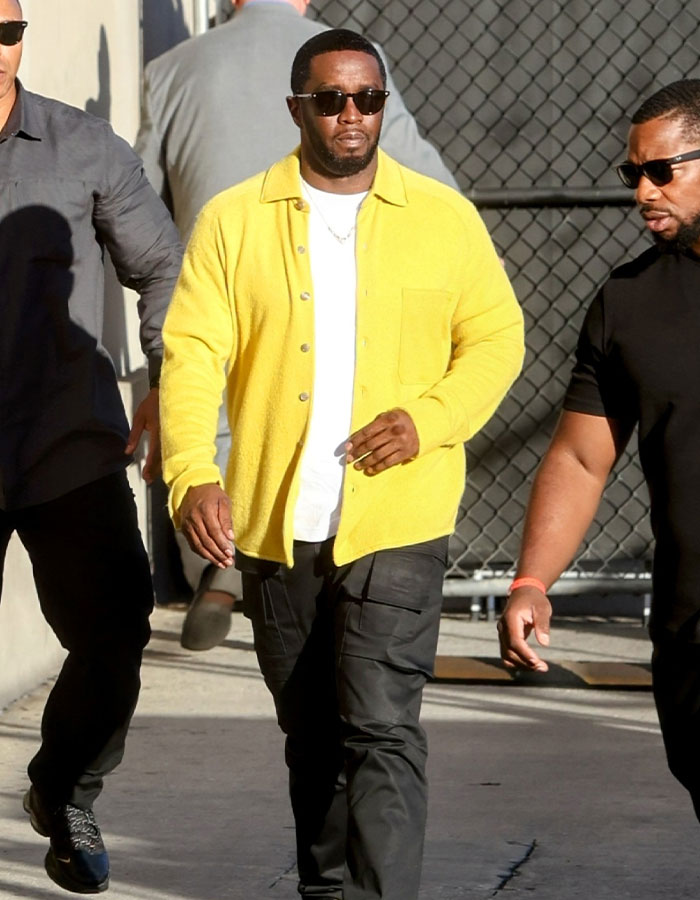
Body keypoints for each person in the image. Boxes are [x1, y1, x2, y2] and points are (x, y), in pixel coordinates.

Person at [160, 28, 523, 900]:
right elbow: (193, 352)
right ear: (298, 109)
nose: (352, 115)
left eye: (367, 98)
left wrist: (427, 420)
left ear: (383, 107)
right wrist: (188, 470)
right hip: (277, 525)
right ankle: (329, 890)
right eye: (331, 99)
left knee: (382, 725)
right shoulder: (234, 219)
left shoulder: (442, 217)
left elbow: (496, 339)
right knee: (312, 734)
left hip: (398, 518)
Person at [135, 0, 460, 652]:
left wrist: (159, 353)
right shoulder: (349, 65)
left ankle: (221, 568)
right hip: (324, 269)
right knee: (315, 414)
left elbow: (140, 202)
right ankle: (322, 572)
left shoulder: (170, 70)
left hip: (218, 275)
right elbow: (433, 182)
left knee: (223, 416)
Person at [0, 1, 183, 893]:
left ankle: (65, 788)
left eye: (6, 28)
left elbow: (162, 267)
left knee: (114, 630)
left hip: (63, 439)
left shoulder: (82, 146)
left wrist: (164, 387)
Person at [498, 78, 700, 822]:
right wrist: (531, 581)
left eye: (662, 171)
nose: (642, 191)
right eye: (632, 173)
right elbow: (583, 457)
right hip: (690, 621)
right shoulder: (629, 302)